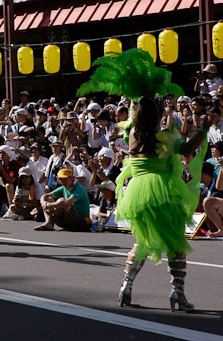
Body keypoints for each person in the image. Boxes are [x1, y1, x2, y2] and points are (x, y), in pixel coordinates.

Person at [79, 48, 213, 312]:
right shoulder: (165, 136)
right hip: (162, 189)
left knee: (142, 242)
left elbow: (136, 119)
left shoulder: (132, 134)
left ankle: (125, 287)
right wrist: (206, 127)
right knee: (175, 242)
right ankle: (178, 295)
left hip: (138, 190)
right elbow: (186, 151)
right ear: (157, 113)